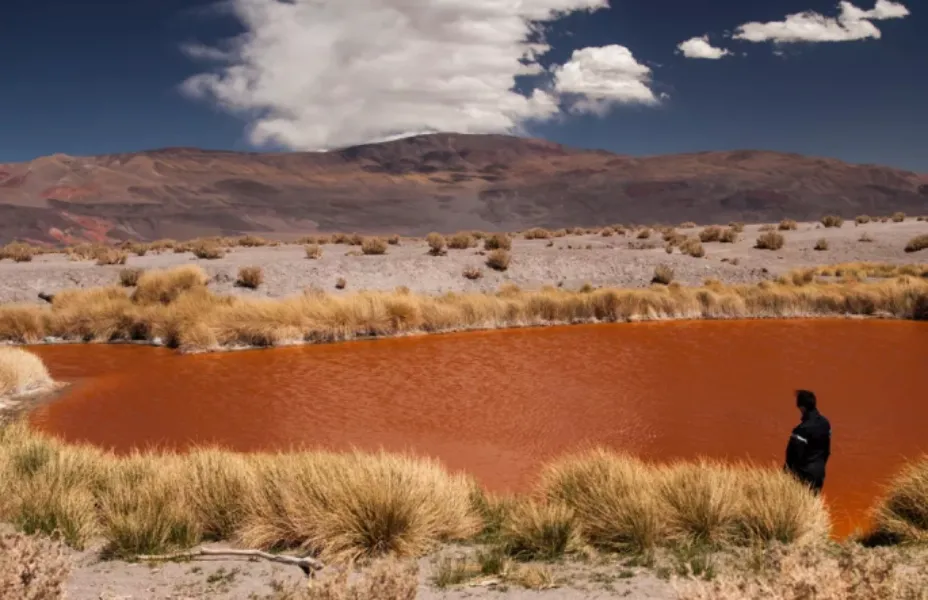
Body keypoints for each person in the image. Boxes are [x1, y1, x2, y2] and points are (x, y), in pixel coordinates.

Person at [784, 389, 831, 493]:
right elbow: (827, 451)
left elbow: (792, 457)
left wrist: (786, 475)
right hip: (819, 473)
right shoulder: (825, 424)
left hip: (804, 476)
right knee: (813, 503)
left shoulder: (801, 430)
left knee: (801, 506)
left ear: (802, 407)